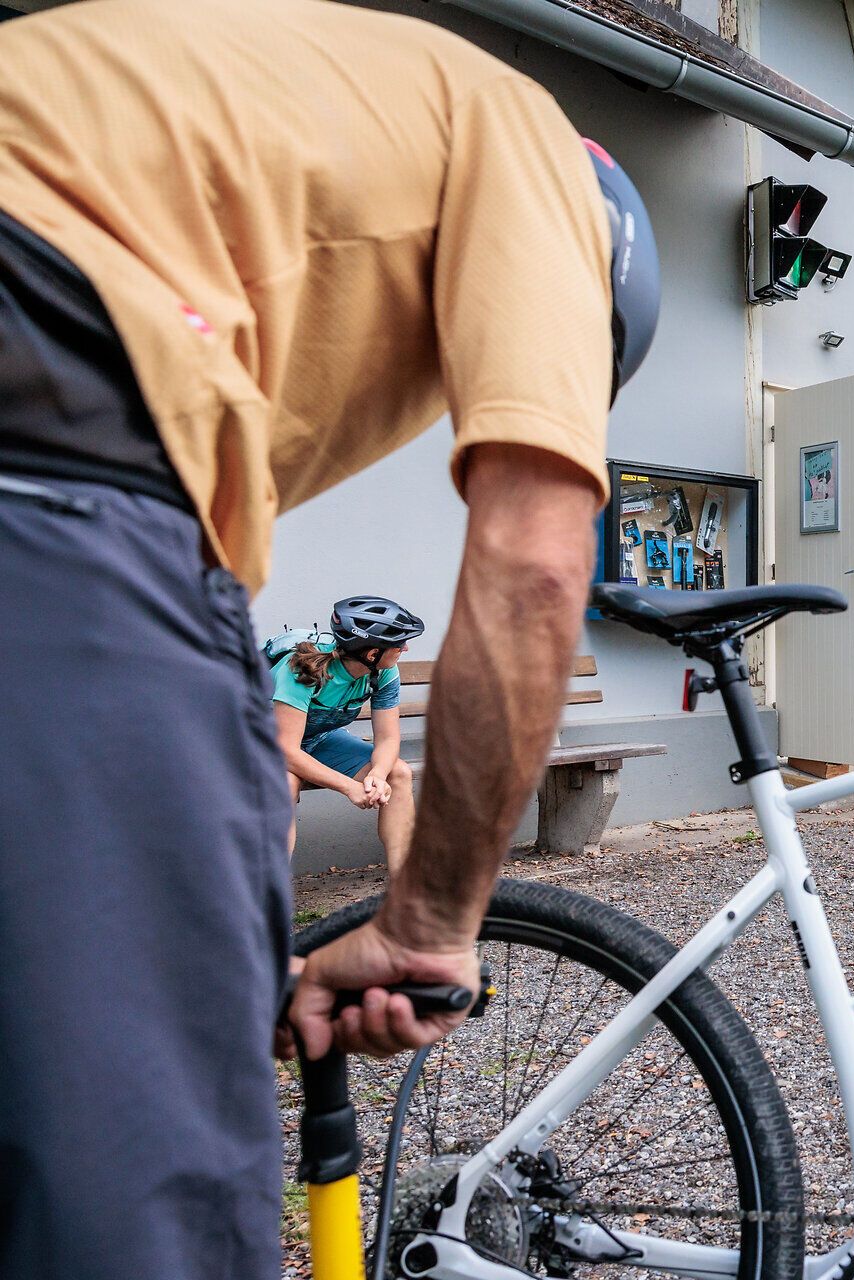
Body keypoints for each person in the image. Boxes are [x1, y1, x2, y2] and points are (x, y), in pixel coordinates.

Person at [0, 1, 659, 1275]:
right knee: (137, 1169)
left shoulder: (270, 168)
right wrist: (425, 924)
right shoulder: (527, 140)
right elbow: (533, 564)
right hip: (52, 375)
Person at [271, 597, 428, 868]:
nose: (405, 647)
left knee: (397, 772)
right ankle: (268, 902)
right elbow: (286, 751)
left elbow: (389, 738)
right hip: (260, 746)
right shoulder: (302, 670)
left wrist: (377, 775)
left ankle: (406, 889)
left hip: (316, 740)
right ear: (371, 653)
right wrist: (350, 788)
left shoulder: (382, 673)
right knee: (285, 785)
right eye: (399, 644)